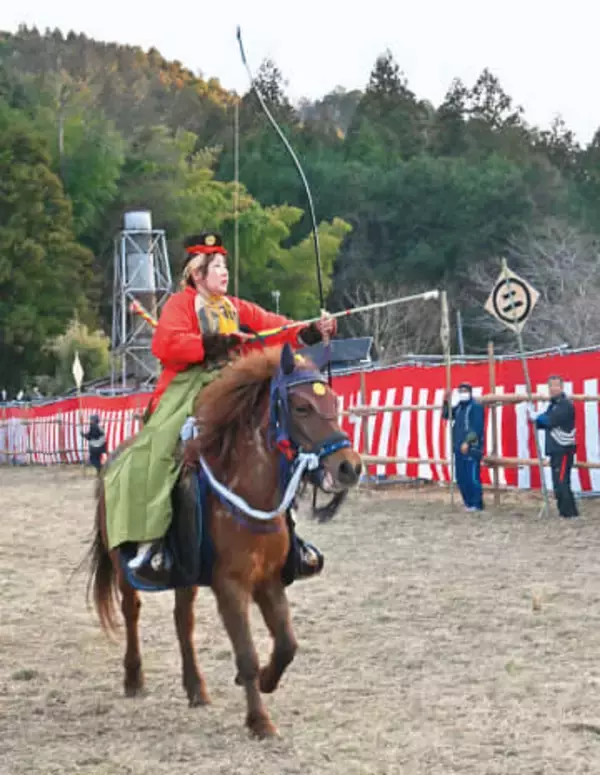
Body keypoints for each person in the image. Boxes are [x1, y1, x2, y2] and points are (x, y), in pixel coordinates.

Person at [127, 230, 337, 585]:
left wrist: (310, 331)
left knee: (276, 442)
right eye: (217, 266)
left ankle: (290, 535)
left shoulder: (234, 307)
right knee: (164, 451)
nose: (225, 272)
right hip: (187, 390)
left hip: (232, 390)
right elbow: (166, 344)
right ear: (197, 274)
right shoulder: (180, 305)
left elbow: (274, 327)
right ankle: (155, 541)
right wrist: (214, 342)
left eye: (225, 265)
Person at [527, 375, 578, 518]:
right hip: (555, 449)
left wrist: (537, 417)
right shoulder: (553, 404)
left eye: (556, 385)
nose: (553, 388)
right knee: (557, 482)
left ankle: (569, 513)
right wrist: (535, 418)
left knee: (562, 481)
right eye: (550, 386)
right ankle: (565, 511)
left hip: (563, 448)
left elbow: (551, 420)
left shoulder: (565, 404)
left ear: (561, 387)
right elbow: (542, 423)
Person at [442, 382, 485, 512]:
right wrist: (446, 400)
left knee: (472, 477)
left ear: (470, 392)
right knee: (461, 478)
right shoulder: (459, 408)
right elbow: (446, 415)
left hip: (472, 448)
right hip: (458, 447)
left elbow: (477, 427)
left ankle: (476, 503)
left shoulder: (475, 407)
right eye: (460, 391)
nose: (463, 393)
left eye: (465, 391)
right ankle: (468, 502)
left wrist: (468, 442)